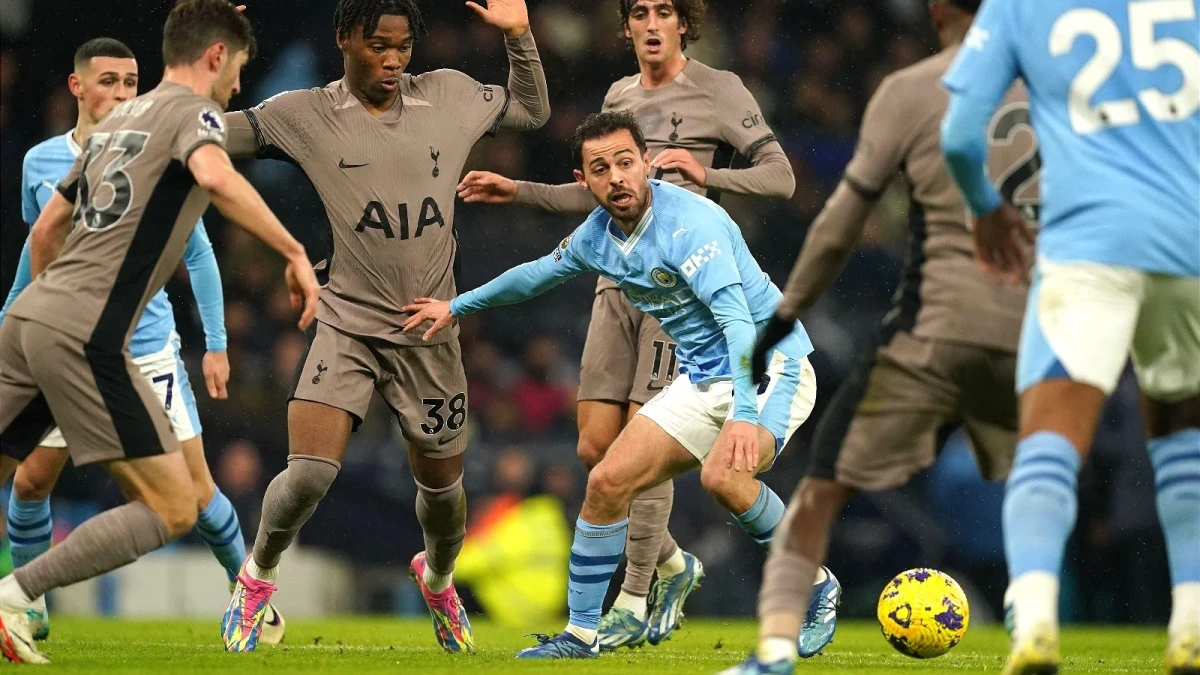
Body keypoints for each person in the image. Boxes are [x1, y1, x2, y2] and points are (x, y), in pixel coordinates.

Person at [454, 0, 823, 651]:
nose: (652, 23)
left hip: (731, 328)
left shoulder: (718, 102)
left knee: (718, 476)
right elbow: (561, 238)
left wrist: (708, 174)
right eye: (640, 12)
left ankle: (649, 594)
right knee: (600, 459)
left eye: (664, 11)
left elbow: (780, 183)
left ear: (685, 21)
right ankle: (605, 614)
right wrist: (512, 203)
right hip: (634, 284)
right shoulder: (619, 100)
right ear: (625, 27)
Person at [218, 0, 549, 654]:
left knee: (446, 499)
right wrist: (213, 51)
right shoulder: (304, 112)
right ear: (344, 38)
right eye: (378, 46)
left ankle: (439, 575)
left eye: (402, 47)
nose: (394, 59)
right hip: (346, 319)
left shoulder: (450, 95)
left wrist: (518, 35)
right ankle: (255, 579)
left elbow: (531, 109)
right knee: (309, 473)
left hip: (429, 330)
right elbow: (205, 132)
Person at [0, 0, 319, 664]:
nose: (238, 85)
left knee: (24, 475)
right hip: (88, 339)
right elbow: (214, 174)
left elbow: (46, 231)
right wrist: (292, 252)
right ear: (214, 57)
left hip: (33, 319)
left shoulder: (119, 124)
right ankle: (16, 594)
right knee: (175, 505)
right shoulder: (190, 115)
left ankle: (19, 601)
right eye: (237, 68)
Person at [724, 1, 1038, 672]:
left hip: (937, 323)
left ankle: (775, 652)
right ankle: (1032, 620)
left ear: (936, 12)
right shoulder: (1058, 90)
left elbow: (841, 223)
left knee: (819, 491)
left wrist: (786, 313)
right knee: (1032, 480)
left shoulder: (911, 89)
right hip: (1031, 327)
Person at [940, 0, 1199, 672]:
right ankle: (1193, 623)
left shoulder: (1021, 4)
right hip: (1188, 242)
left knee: (1049, 440)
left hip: (1086, 245)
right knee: (1182, 440)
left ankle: (1035, 620)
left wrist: (984, 208)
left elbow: (962, 135)